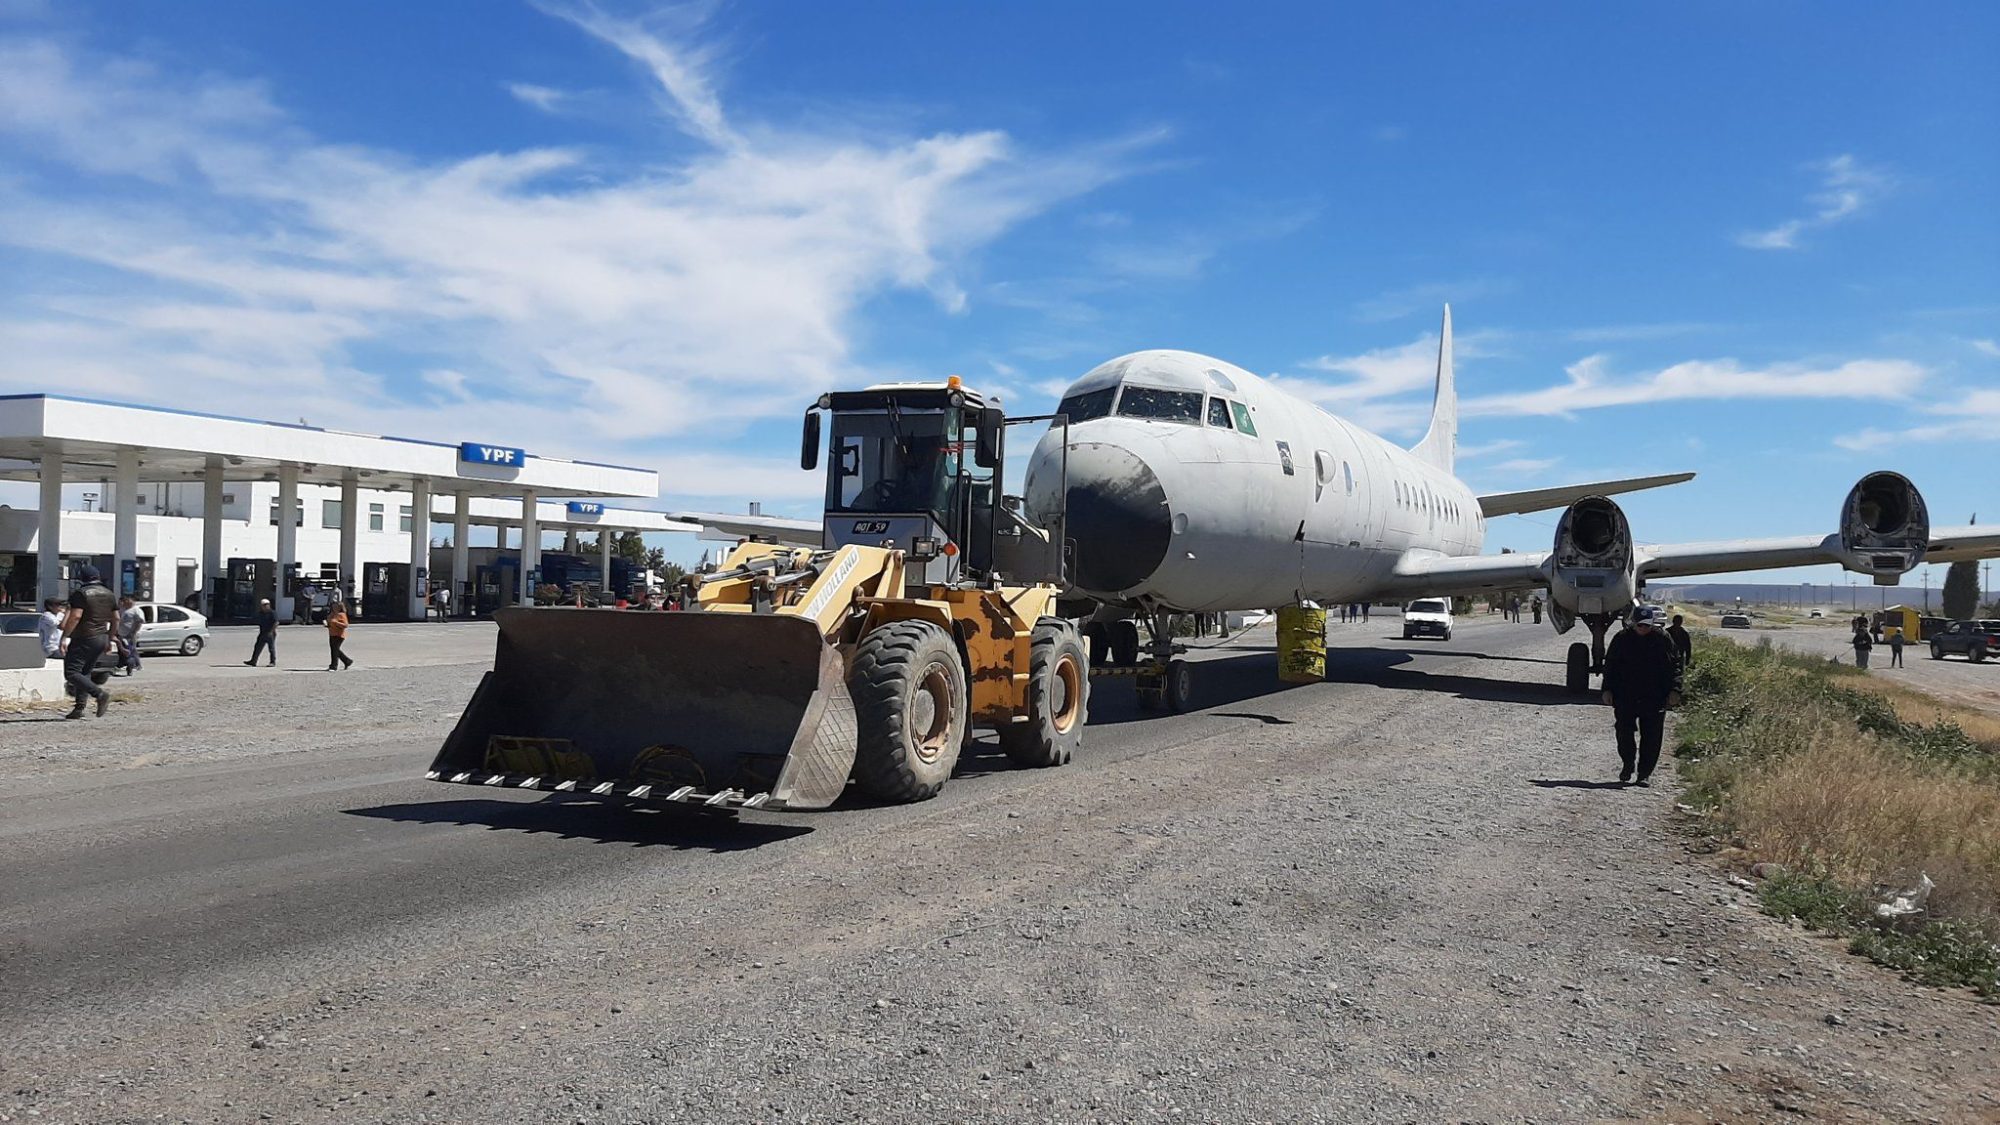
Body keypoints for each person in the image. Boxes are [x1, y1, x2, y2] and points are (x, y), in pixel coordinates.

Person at [1601, 606, 1683, 785]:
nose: (1643, 628)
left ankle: (1644, 773)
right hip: (1625, 694)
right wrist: (1606, 689)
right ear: (1633, 623)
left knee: (1652, 737)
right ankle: (1628, 764)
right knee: (1624, 732)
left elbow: (1675, 665)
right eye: (1639, 625)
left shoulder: (1663, 639)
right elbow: (1610, 665)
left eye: (1647, 625)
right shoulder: (1622, 639)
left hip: (1654, 696)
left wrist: (1675, 690)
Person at [57, 564, 116, 719]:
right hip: (101, 636)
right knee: (85, 673)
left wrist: (65, 637)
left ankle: (99, 694)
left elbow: (76, 616)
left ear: (81, 578)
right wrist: (110, 638)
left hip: (84, 637)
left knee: (71, 672)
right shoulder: (109, 594)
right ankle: (79, 708)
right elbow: (116, 618)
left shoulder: (81, 593)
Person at [115, 594, 144, 676]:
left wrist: (133, 632)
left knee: (130, 651)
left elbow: (139, 622)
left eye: (128, 600)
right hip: (122, 634)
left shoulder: (136, 610)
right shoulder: (124, 609)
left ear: (132, 600)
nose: (126, 602)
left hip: (129, 635)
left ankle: (133, 666)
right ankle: (123, 665)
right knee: (123, 651)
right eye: (125, 600)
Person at [245, 598, 278, 667]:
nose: (265, 606)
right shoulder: (261, 613)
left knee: (271, 648)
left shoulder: (272, 613)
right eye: (263, 605)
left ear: (269, 605)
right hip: (262, 632)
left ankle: (272, 662)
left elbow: (276, 623)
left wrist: (271, 631)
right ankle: (253, 661)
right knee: (257, 647)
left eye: (266, 605)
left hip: (270, 633)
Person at [325, 600, 354, 670]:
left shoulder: (341, 615)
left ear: (340, 608)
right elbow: (330, 623)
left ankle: (334, 666)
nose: (334, 608)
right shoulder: (331, 614)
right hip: (332, 634)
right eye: (333, 607)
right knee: (334, 650)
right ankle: (347, 661)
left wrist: (336, 622)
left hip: (339, 635)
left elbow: (345, 625)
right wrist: (327, 624)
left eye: (336, 607)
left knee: (335, 650)